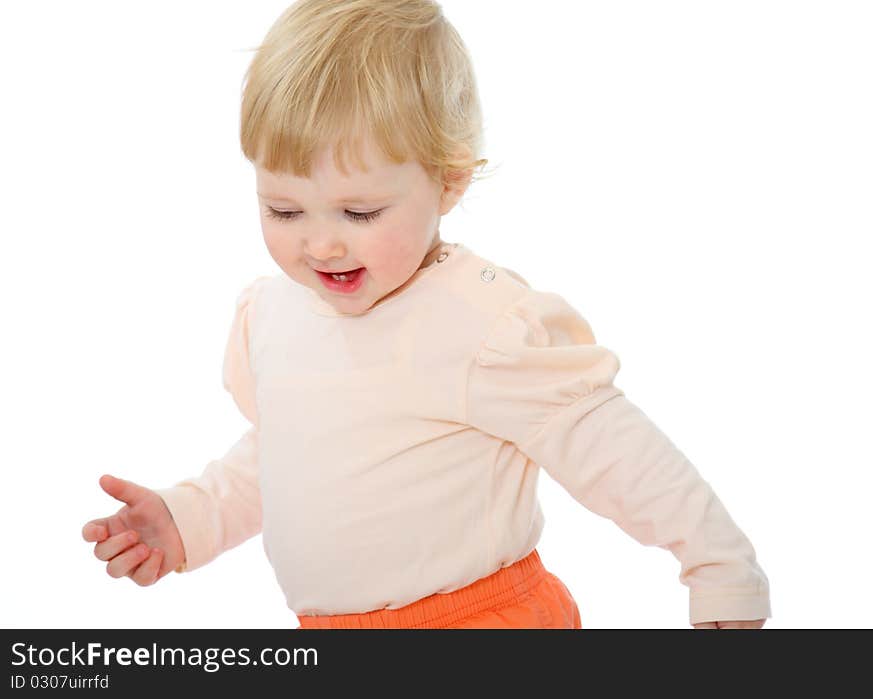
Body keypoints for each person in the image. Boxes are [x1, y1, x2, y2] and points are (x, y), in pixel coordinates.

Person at [81, 0, 770, 630]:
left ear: (449, 179)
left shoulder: (483, 323)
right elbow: (290, 453)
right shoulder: (275, 314)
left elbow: (617, 453)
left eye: (360, 212)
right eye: (283, 210)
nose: (321, 243)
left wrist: (718, 568)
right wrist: (188, 517)